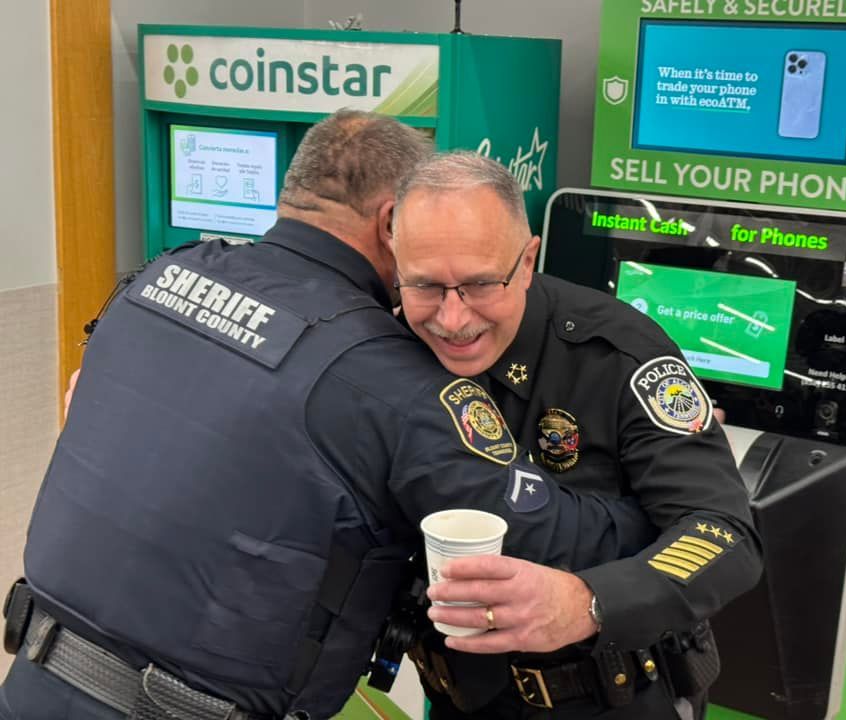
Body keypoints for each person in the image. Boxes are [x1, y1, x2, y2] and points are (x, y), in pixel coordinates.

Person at [0, 112, 660, 720]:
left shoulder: (157, 280)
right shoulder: (384, 374)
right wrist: (647, 485)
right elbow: (547, 535)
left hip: (35, 674)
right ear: (393, 220)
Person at [389, 152, 763, 719]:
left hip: (611, 695)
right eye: (425, 287)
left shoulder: (618, 353)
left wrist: (589, 602)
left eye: (481, 284)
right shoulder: (390, 348)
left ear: (529, 258)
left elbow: (725, 534)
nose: (453, 318)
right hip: (460, 694)